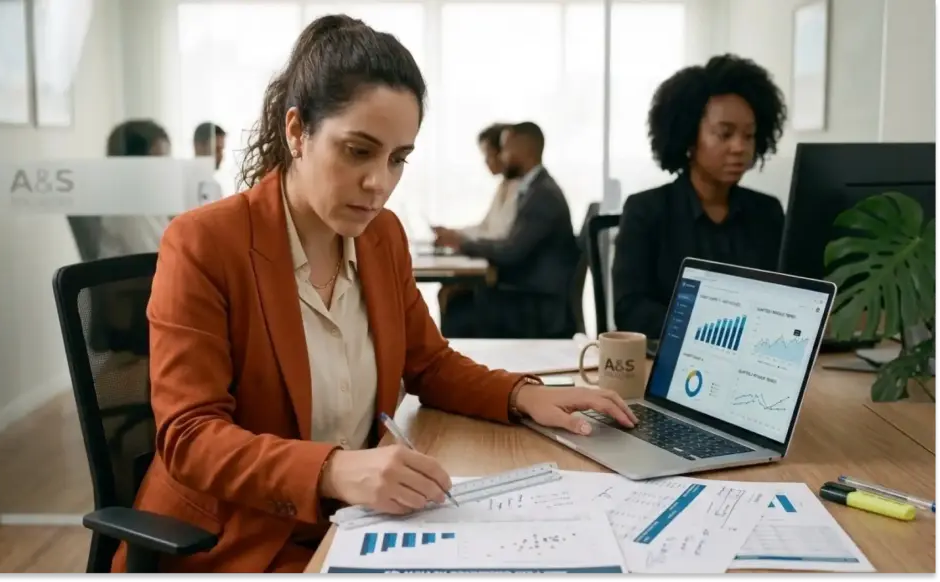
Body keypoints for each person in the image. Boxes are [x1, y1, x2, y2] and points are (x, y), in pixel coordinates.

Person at [111, 14, 637, 575]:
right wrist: (334, 470)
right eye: (358, 151)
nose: (379, 183)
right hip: (236, 542)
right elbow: (190, 437)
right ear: (297, 131)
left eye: (397, 159)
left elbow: (429, 363)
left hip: (354, 524)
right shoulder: (205, 243)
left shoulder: (381, 236)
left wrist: (522, 396)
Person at [612, 54, 787, 339]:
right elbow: (630, 309)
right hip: (675, 354)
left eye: (749, 135)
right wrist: (711, 331)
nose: (739, 147)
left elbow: (788, 299)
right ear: (689, 138)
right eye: (724, 134)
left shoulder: (767, 212)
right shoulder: (646, 210)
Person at [436, 122, 579, 338]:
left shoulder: (542, 196)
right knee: (456, 294)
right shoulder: (535, 189)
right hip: (529, 296)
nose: (502, 157)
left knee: (457, 305)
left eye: (506, 149)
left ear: (524, 150)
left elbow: (511, 251)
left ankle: (457, 360)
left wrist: (462, 243)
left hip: (537, 307)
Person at [433, 122, 520, 325]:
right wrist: (455, 233)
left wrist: (460, 240)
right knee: (449, 291)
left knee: (451, 294)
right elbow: (486, 227)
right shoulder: (505, 186)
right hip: (502, 273)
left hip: (510, 282)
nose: (486, 162)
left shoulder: (520, 190)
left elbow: (501, 236)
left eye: (488, 155)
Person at [96, 119, 174, 259]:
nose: (167, 169)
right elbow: (157, 258)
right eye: (160, 160)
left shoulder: (148, 200)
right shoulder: (127, 209)